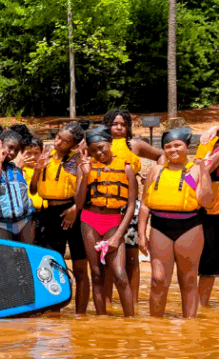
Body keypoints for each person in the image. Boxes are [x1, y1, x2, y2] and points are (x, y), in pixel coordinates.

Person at [138, 127, 211, 318]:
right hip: (160, 226)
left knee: (187, 281)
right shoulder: (156, 170)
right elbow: (145, 205)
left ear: (187, 147)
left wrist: (203, 171)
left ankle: (190, 327)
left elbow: (206, 201)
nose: (172, 150)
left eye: (177, 145)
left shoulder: (192, 172)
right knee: (157, 280)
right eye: (168, 147)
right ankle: (156, 327)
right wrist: (141, 234)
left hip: (190, 227)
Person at [101, 109, 165, 308]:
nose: (119, 128)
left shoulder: (135, 145)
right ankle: (107, 303)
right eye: (114, 124)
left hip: (131, 207)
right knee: (106, 257)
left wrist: (156, 176)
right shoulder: (100, 146)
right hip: (104, 206)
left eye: (122, 124)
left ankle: (133, 302)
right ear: (107, 126)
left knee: (131, 256)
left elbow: (162, 155)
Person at [75, 126, 136, 316]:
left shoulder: (126, 168)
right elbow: (78, 202)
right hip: (89, 220)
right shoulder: (85, 167)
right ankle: (101, 320)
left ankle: (131, 321)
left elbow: (131, 206)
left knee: (120, 275)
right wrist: (85, 176)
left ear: (110, 143)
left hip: (114, 222)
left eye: (101, 147)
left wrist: (118, 235)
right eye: (93, 150)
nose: (98, 153)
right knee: (96, 273)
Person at [30, 122, 89, 314]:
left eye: (65, 142)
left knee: (79, 265)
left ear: (73, 145)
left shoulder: (76, 160)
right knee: (51, 264)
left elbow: (82, 187)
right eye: (58, 138)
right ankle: (53, 312)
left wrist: (75, 209)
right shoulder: (46, 157)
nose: (58, 143)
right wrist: (38, 169)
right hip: (48, 214)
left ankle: (80, 315)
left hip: (71, 211)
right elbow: (33, 189)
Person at [0, 130, 35, 243]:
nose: (12, 153)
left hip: (25, 221)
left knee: (27, 256)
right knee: (5, 259)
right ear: (0, 144)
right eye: (10, 147)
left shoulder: (15, 169)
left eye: (16, 150)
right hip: (2, 224)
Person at [195, 130, 219, 306]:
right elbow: (193, 177)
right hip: (212, 212)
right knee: (208, 265)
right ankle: (200, 307)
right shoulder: (211, 142)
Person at [19, 136, 48, 237]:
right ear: (22, 153)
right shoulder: (20, 169)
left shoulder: (46, 168)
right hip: (25, 213)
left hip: (44, 211)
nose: (32, 157)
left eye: (36, 153)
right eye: (28, 153)